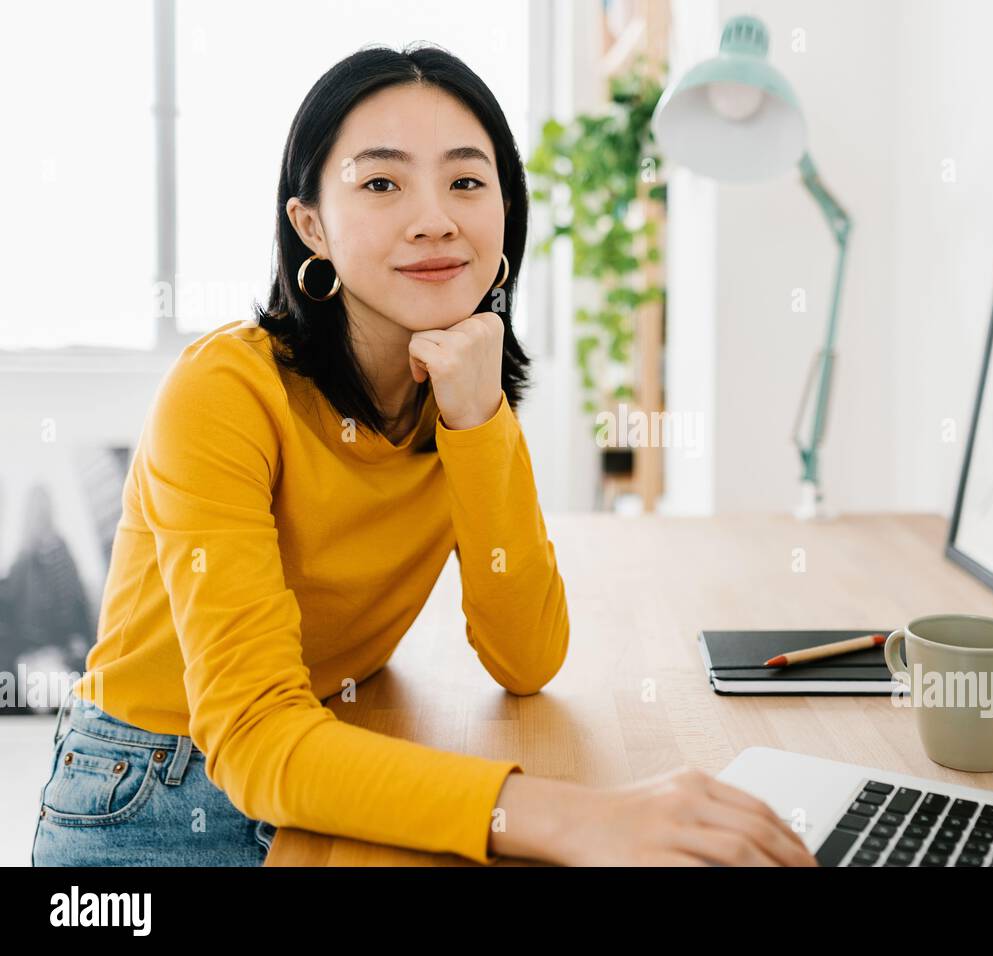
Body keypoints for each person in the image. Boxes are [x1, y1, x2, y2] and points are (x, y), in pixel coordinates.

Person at [31, 43, 815, 868]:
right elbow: (253, 734)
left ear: (506, 213)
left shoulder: (463, 388)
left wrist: (477, 420)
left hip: (326, 751)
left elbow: (527, 657)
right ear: (310, 226)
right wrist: (576, 818)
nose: (436, 217)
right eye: (381, 183)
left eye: (468, 182)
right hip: (150, 788)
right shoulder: (224, 391)